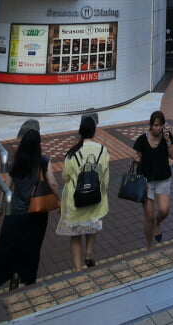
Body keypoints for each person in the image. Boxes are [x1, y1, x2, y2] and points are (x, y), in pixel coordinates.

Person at [0, 129, 60, 289]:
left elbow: (7, 188)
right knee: (32, 248)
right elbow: (52, 183)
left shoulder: (15, 162)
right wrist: (59, 200)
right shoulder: (43, 161)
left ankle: (9, 274)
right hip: (36, 214)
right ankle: (26, 280)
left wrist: (1, 209)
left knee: (9, 245)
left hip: (15, 214)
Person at [56, 115, 110, 269]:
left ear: (80, 131)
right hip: (95, 199)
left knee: (75, 236)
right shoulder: (102, 150)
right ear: (94, 131)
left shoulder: (72, 154)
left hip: (76, 201)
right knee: (92, 226)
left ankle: (78, 270)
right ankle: (89, 252)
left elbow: (65, 176)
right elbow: (105, 179)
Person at [132, 111, 173, 249]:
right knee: (149, 216)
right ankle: (149, 244)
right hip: (147, 181)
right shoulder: (142, 140)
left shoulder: (166, 137)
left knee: (164, 210)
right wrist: (137, 160)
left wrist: (168, 141)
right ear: (151, 125)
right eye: (156, 125)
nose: (159, 128)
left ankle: (158, 223)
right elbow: (138, 158)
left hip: (163, 178)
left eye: (161, 125)